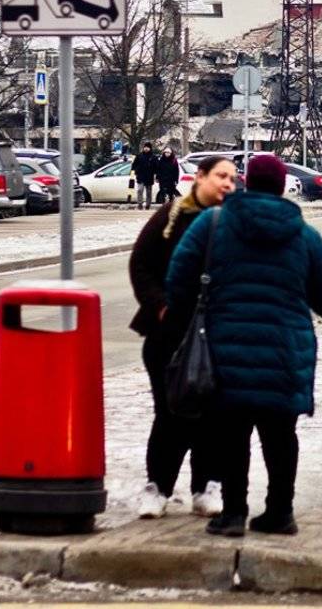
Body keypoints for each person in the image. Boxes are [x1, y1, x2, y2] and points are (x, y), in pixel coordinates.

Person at [164, 154, 322, 538]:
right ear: (282, 187)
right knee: (281, 436)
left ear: (246, 182)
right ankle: (280, 512)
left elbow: (177, 279)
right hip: (285, 353)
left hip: (225, 350)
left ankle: (233, 514)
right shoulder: (304, 236)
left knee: (232, 435)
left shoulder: (212, 225)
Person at [127, 154, 237, 519]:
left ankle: (206, 488)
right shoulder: (172, 215)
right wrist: (159, 305)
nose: (228, 184)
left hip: (216, 335)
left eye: (232, 178)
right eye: (221, 176)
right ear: (200, 176)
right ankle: (157, 488)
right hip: (168, 335)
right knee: (169, 413)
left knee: (211, 415)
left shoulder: (233, 221)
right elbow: (140, 264)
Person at [132, 142, 158, 209]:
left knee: (148, 192)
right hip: (140, 176)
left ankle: (148, 205)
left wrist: (155, 175)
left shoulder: (153, 157)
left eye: (147, 147)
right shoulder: (139, 156)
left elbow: (157, 167)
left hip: (149, 177)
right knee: (140, 190)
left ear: (150, 148)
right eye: (145, 147)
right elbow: (134, 165)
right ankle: (140, 204)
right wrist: (136, 171)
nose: (146, 148)